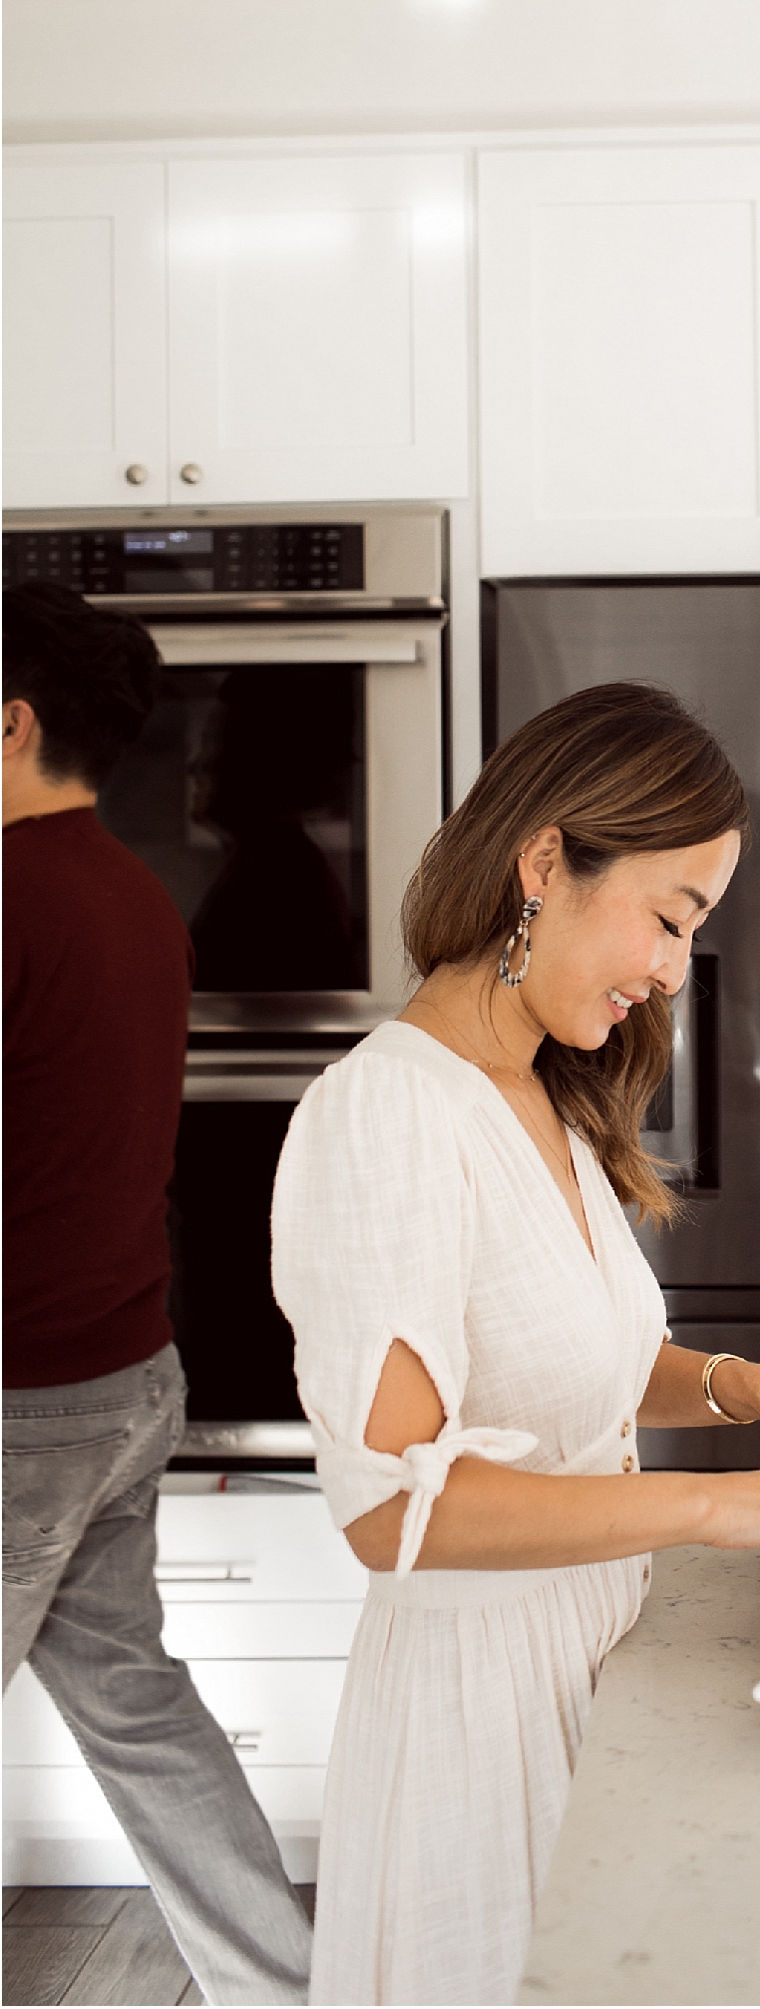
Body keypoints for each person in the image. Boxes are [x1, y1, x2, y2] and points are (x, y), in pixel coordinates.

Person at [271, 682, 760, 2007]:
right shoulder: (388, 1117)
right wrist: (724, 1507)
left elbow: (563, 1358)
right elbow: (398, 1510)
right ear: (545, 863)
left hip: (595, 1670)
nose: (674, 967)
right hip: (478, 1722)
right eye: (670, 915)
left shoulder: (543, 1095)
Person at [2, 581, 314, 2006]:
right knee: (138, 1712)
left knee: (138, 1710)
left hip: (21, 1399)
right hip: (124, 1382)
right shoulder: (135, 897)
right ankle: (283, 1984)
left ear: (8, 723)